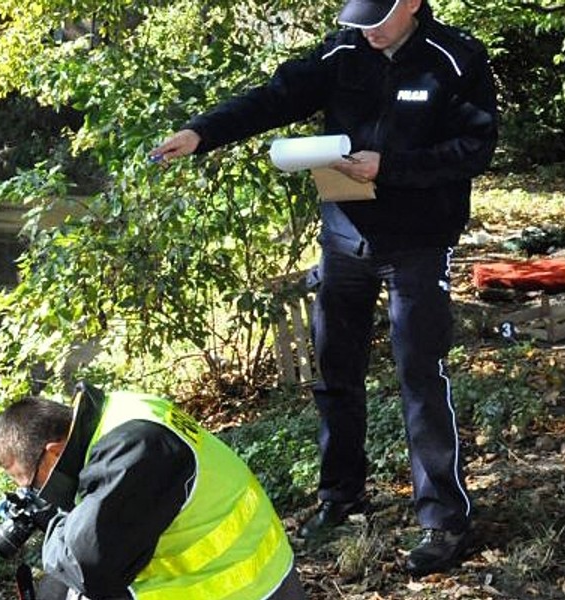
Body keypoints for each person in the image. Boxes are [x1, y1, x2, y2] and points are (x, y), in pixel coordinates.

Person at [150, 0, 498, 576]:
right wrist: (200, 132)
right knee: (335, 374)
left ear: (412, 3)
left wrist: (389, 167)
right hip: (344, 242)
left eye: (378, 17)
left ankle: (444, 520)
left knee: (420, 376)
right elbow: (274, 98)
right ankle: (341, 496)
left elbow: (475, 149)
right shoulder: (343, 52)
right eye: (358, 17)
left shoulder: (454, 60)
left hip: (418, 241)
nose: (366, 29)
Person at [0, 383, 306, 600]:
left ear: (55, 452)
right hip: (255, 572)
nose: (37, 492)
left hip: (246, 588)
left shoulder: (134, 449)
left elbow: (89, 567)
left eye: (31, 482)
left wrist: (54, 524)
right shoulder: (118, 413)